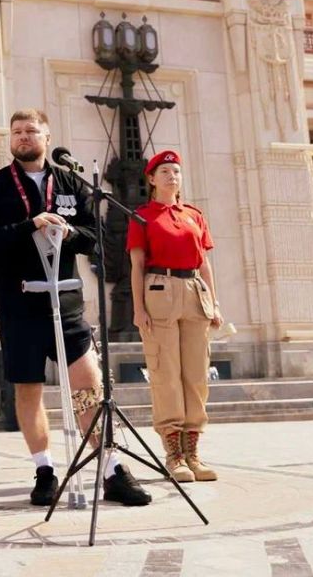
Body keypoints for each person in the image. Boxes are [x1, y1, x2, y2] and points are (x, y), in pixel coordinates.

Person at [0, 109, 151, 507]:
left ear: (47, 137)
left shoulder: (70, 181)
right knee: (29, 389)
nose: (23, 137)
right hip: (19, 304)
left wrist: (68, 233)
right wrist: (29, 225)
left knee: (89, 385)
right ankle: (44, 470)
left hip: (66, 302)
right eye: (16, 131)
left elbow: (96, 237)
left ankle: (111, 469)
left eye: (31, 130)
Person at [127, 149, 223, 483]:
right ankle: (174, 454)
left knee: (196, 375)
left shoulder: (195, 215)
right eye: (165, 171)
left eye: (176, 172)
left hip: (194, 292)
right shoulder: (142, 217)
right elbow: (137, 265)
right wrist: (138, 309)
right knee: (165, 373)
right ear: (152, 180)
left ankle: (193, 451)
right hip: (159, 292)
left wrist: (214, 304)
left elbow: (204, 263)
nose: (172, 177)